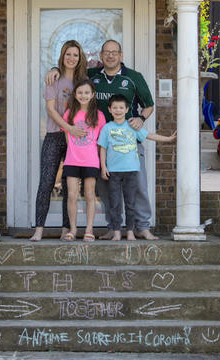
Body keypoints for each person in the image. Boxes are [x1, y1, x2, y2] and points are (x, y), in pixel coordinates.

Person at [46, 40, 158, 240]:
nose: (110, 56)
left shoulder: (133, 78)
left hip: (128, 141)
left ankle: (143, 226)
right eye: (106, 52)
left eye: (114, 52)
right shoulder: (93, 76)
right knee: (107, 188)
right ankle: (112, 227)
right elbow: (72, 72)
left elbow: (148, 105)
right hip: (100, 143)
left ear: (121, 55)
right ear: (101, 56)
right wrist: (55, 68)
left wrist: (141, 118)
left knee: (138, 185)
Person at [30, 40, 88, 242]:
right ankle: (39, 229)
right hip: (55, 135)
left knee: (69, 185)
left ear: (80, 59)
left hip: (76, 140)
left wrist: (74, 130)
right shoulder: (53, 79)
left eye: (75, 55)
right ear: (62, 57)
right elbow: (51, 110)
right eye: (68, 54)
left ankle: (66, 228)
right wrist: (68, 127)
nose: (72, 58)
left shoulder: (83, 82)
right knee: (46, 182)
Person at [98, 94, 176, 241]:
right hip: (114, 172)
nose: (118, 110)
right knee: (114, 203)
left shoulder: (132, 126)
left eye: (121, 107)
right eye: (115, 107)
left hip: (131, 171)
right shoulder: (107, 128)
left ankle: (130, 232)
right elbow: (102, 148)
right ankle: (116, 232)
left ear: (127, 109)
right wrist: (103, 167)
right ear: (109, 109)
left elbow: (150, 136)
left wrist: (168, 138)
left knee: (131, 204)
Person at [61, 79, 105, 242]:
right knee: (72, 195)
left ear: (92, 94)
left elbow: (101, 142)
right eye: (80, 92)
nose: (83, 95)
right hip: (72, 160)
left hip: (91, 161)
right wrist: (73, 152)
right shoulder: (69, 113)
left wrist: (100, 161)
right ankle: (73, 229)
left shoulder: (98, 116)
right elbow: (67, 136)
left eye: (87, 93)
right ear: (75, 94)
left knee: (89, 195)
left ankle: (89, 229)